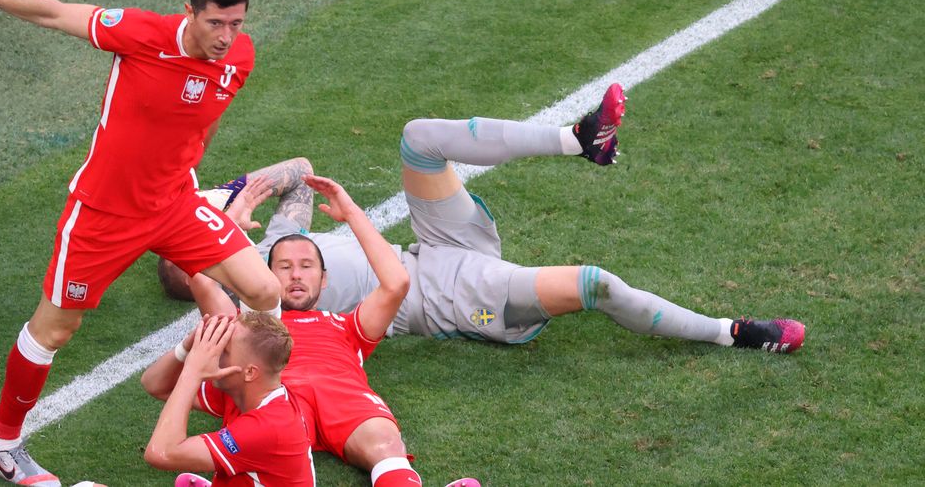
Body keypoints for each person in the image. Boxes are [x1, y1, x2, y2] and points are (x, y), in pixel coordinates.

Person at [0, 0, 282, 486]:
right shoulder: (141, 33)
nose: (226, 37)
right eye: (216, 22)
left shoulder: (239, 57)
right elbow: (51, 11)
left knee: (263, 290)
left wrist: (185, 172)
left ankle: (263, 407)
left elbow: (206, 118)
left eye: (236, 24)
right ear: (189, 11)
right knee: (54, 331)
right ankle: (1, 446)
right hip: (104, 213)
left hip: (174, 202)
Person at [160, 84, 806, 353]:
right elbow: (211, 296)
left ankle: (579, 139)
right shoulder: (265, 304)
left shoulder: (272, 241)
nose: (294, 272)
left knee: (418, 136)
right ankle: (732, 331)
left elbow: (298, 170)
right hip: (449, 296)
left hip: (433, 243)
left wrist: (233, 198)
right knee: (593, 282)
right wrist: (204, 247)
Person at [177, 175, 480, 487]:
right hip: (273, 396)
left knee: (387, 445)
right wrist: (230, 225)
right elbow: (200, 280)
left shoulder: (345, 325)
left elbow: (396, 284)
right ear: (265, 275)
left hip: (342, 396)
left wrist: (351, 212)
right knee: (254, 456)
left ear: (323, 279)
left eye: (307, 266)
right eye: (283, 267)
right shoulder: (248, 323)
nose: (295, 274)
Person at [141, 313, 315, 486]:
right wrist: (186, 348)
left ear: (249, 372)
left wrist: (192, 371)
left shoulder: (267, 427)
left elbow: (161, 452)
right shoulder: (244, 388)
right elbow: (155, 384)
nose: (213, 352)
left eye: (224, 349)